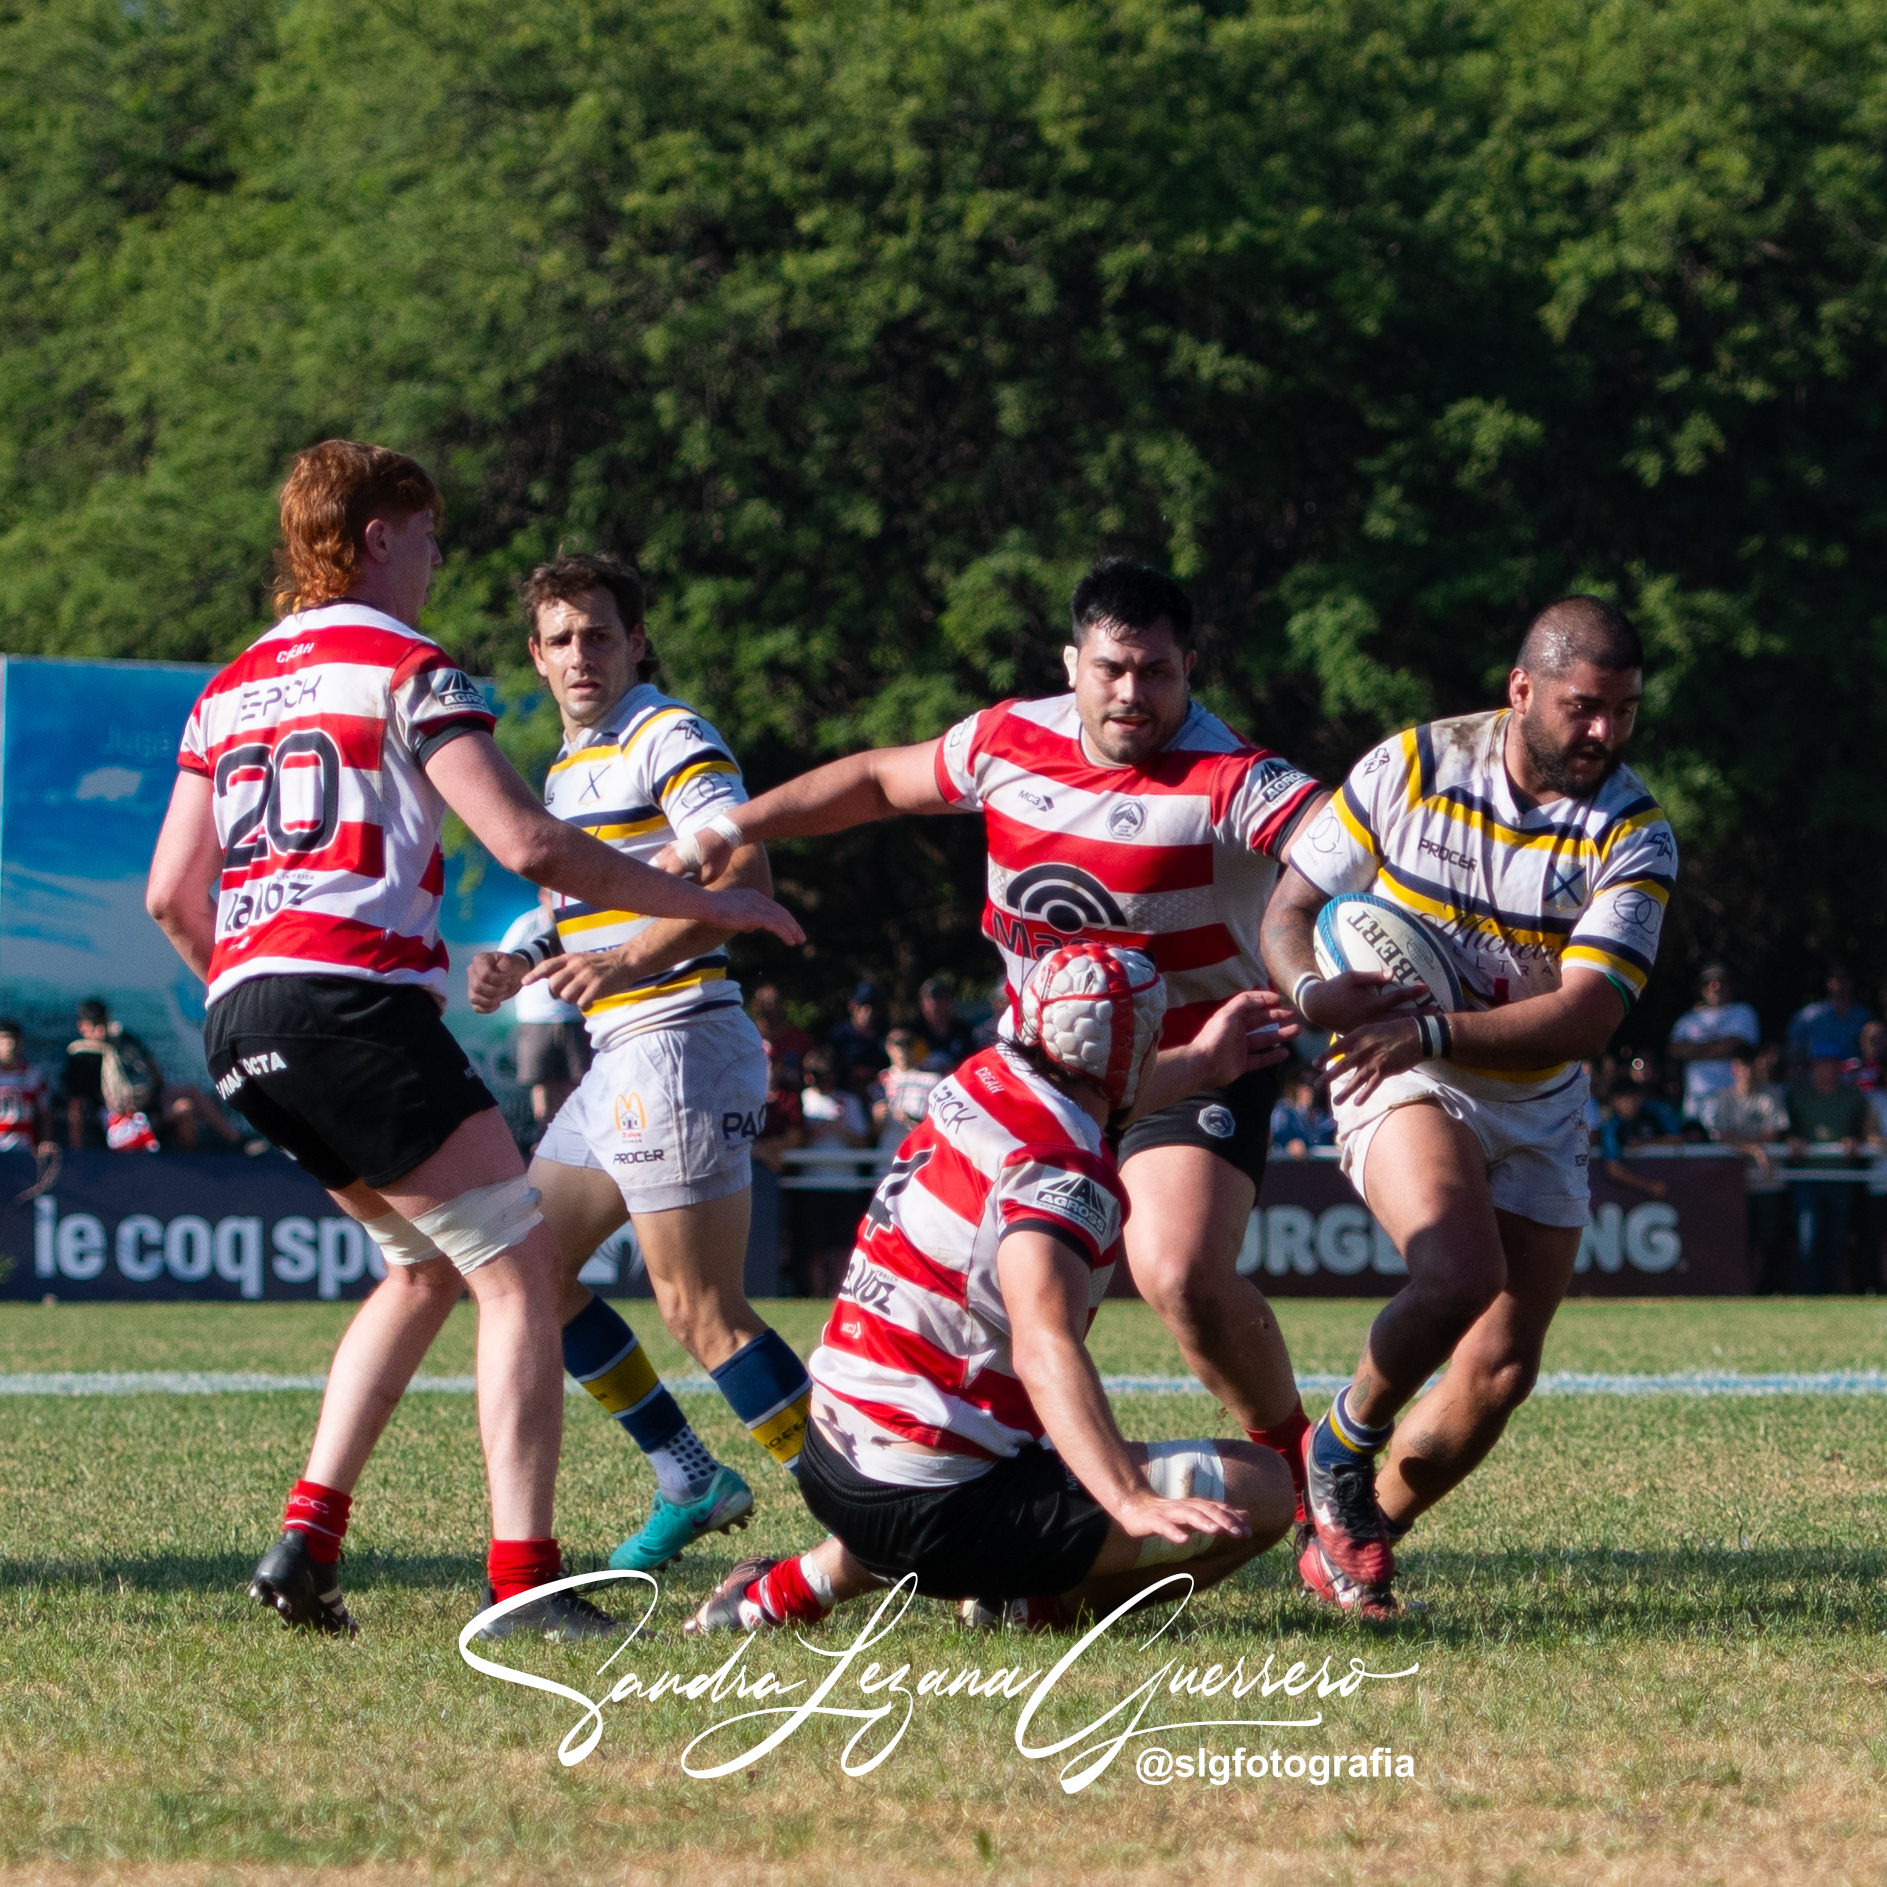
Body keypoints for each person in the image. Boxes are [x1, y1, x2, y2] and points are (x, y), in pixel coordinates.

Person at [146, 442, 800, 1640]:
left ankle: (308, 1539)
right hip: (358, 1013)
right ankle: (524, 1585)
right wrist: (720, 905)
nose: (439, 558)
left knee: (425, 1269)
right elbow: (533, 846)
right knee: (517, 1280)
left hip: (242, 1019)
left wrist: (265, 1001)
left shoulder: (227, 688)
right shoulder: (408, 666)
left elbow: (170, 900)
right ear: (380, 534)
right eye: (431, 533)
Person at [661, 558, 1318, 1523]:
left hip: (1201, 1060)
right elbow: (881, 780)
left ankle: (1305, 1471)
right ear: (1072, 663)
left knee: (1176, 1273)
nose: (1133, 693)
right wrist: (732, 826)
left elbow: (1341, 846)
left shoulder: (1233, 778)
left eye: (1157, 672)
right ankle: (971, 1516)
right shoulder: (1010, 736)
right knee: (975, 1314)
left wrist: (1337, 967)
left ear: (1190, 668)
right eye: (1110, 669)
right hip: (1036, 1079)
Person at [1262, 594, 1675, 1618]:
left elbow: (1585, 1020)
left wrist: (1435, 1027)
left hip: (1533, 1094)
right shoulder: (1413, 766)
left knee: (1497, 1373)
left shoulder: (1633, 833)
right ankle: (1341, 1444)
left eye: (1623, 712)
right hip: (1405, 1070)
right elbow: (1292, 910)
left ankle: (1351, 1536)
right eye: (1586, 707)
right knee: (1458, 1272)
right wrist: (1315, 996)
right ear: (1522, 689)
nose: (1604, 733)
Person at [684, 945, 1294, 1638]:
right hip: (936, 1499)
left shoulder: (982, 1079)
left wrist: (1210, 1062)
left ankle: (776, 1596)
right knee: (1265, 1485)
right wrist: (1129, 1499)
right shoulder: (1061, 1172)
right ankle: (1030, 1605)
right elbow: (1043, 1346)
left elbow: (1096, 1092)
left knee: (937, 1469)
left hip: (834, 1452)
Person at [463, 552, 818, 1576]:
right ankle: (690, 1475)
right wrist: (523, 958)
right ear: (536, 656)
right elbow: (591, 904)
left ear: (636, 642)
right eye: (562, 639)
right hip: (624, 1055)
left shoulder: (668, 733)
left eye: (601, 635)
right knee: (522, 1266)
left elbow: (739, 872)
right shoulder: (572, 768)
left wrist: (616, 959)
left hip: (679, 1041)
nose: (582, 656)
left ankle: (873, 1521)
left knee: (703, 1313)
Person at [499, 888, 591, 1136]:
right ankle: (546, 1137)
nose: (559, 902)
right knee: (542, 1083)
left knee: (581, 1082)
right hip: (536, 1018)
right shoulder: (526, 924)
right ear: (543, 897)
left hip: (576, 1016)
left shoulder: (578, 918)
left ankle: (580, 1139)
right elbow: (505, 960)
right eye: (554, 897)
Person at [789, 1046, 872, 1295]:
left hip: (844, 1184)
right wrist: (816, 1131)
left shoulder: (850, 1102)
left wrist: (839, 1129)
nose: (824, 1079)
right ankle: (816, 1295)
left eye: (828, 1073)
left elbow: (863, 1141)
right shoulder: (803, 1101)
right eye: (817, 1073)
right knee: (815, 1248)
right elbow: (796, 1139)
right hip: (811, 1184)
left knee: (841, 1247)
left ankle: (837, 1295)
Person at [1784, 1056, 1870, 1294]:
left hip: (1842, 1178)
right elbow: (1786, 1130)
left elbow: (1863, 1131)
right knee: (1808, 1240)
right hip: (1807, 1179)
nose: (1825, 1071)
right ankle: (1809, 1293)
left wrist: (1855, 1140)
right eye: (1820, 1065)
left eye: (1830, 1065)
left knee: (1836, 1239)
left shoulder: (1852, 1097)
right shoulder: (1797, 1096)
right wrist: (1791, 1138)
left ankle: (1831, 1291)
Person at [1707, 1048, 1790, 1291]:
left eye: (1751, 1065)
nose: (1747, 1071)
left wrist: (1741, 1142)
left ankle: (1761, 1291)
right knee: (1738, 1242)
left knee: (1767, 1243)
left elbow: (1773, 1134)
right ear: (1733, 1069)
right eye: (1742, 1065)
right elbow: (1722, 1136)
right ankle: (1739, 1289)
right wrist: (1753, 1148)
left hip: (1767, 1182)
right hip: (1735, 1184)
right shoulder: (1724, 1097)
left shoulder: (1771, 1095)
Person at [1666, 964, 1759, 1124]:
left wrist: (1694, 1050)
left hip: (1731, 1097)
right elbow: (1674, 1049)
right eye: (1709, 983)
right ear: (1702, 989)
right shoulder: (1688, 1019)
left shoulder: (1742, 1012)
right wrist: (1717, 1047)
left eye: (1721, 982)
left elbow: (1735, 1045)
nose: (1715, 987)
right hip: (1695, 1098)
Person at [1786, 965, 1872, 1075]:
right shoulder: (1808, 1017)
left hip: (1855, 1081)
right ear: (1828, 982)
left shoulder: (1864, 1017)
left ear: (1852, 982)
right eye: (1836, 979)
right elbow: (1793, 1054)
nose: (1841, 985)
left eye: (1845, 979)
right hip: (1814, 1082)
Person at [1596, 1086, 1671, 1200]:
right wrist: (1649, 1186)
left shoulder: (1652, 1115)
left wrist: (1645, 1142)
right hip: (1622, 1196)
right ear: (1615, 1101)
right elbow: (1613, 1169)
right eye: (1624, 1099)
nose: (1629, 1104)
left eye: (1633, 1098)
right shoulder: (1612, 1128)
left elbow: (1676, 1139)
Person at [872, 1027, 941, 1147]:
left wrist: (912, 1119)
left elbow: (940, 1125)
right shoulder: (880, 1080)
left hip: (919, 1149)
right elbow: (870, 1134)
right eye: (898, 1043)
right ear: (888, 1048)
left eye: (909, 1043)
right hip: (887, 1152)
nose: (904, 1049)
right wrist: (877, 1118)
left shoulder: (932, 1080)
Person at [0, 1021, 51, 1155]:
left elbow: (44, 1114)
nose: (9, 1046)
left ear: (20, 1043)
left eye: (12, 1040)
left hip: (24, 1151)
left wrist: (45, 1141)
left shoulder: (33, 1075)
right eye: (3, 1040)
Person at [829, 980, 888, 1092]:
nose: (869, 1011)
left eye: (874, 1006)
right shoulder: (839, 1035)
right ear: (852, 1005)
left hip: (878, 1095)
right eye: (864, 1005)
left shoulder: (884, 1033)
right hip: (847, 1097)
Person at [917, 975, 973, 1072]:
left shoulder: (963, 1030)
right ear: (922, 1001)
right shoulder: (914, 1032)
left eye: (943, 997)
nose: (937, 1003)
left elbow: (971, 1062)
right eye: (932, 997)